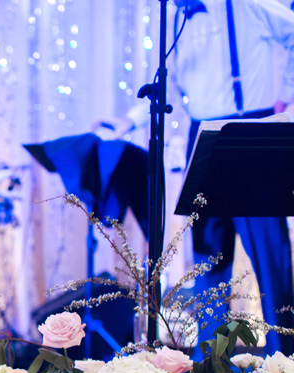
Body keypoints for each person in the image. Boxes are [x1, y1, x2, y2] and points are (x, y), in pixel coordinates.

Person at [102, 0, 294, 354]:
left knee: (270, 257)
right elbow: (170, 81)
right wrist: (128, 120)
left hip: (251, 129)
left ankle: (287, 360)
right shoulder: (179, 16)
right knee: (208, 254)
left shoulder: (250, 6)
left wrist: (286, 94)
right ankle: (212, 367)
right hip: (203, 133)